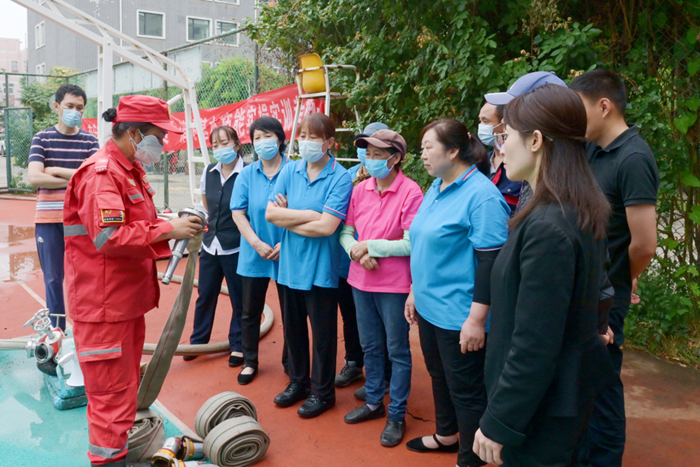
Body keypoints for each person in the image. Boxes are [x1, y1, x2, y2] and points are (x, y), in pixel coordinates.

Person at [472, 83, 617, 467]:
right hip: (557, 398)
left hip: (542, 409)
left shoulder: (549, 225)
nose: (500, 146)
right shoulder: (574, 206)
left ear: (535, 140)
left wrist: (501, 420)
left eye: (506, 135)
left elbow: (534, 343)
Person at [63, 95, 202, 466]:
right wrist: (168, 227)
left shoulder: (127, 170)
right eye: (160, 135)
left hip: (121, 304)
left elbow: (132, 221)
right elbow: (109, 237)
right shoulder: (103, 174)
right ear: (137, 134)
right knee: (110, 399)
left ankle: (117, 456)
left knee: (122, 394)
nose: (165, 144)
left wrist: (167, 223)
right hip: (104, 308)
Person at [405, 119, 510, 467]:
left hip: (460, 315)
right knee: (439, 376)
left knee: (467, 391)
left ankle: (472, 459)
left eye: (427, 148)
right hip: (430, 307)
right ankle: (446, 435)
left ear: (452, 151)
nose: (421, 155)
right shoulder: (437, 185)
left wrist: (477, 320)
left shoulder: (482, 197)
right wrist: (414, 291)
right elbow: (423, 244)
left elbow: (489, 264)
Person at [570, 69, 659, 467]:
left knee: (603, 388)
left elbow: (644, 243)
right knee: (579, 384)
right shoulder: (590, 150)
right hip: (583, 287)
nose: (575, 119)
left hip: (608, 296)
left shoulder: (634, 157)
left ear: (603, 106)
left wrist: (623, 275)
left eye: (580, 109)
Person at [266, 112, 353, 418]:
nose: (306, 142)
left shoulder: (340, 177)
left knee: (324, 336)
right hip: (289, 266)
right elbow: (271, 215)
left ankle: (323, 393)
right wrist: (311, 215)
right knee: (293, 330)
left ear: (329, 142)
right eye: (302, 135)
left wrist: (292, 217)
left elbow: (328, 228)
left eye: (314, 137)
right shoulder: (291, 170)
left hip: (321, 268)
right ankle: (298, 383)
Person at [340, 129, 423, 446]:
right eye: (368, 153)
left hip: (394, 285)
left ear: (396, 158)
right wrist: (356, 252)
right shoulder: (360, 190)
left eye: (378, 154)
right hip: (360, 280)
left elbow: (410, 243)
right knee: (370, 346)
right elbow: (346, 233)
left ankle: (397, 415)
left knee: (397, 350)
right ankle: (374, 402)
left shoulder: (411, 192)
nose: (371, 160)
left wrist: (370, 247)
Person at [27, 84, 99, 330]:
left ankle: (87, 329)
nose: (75, 111)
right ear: (57, 107)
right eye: (69, 106)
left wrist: (55, 169)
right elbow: (35, 178)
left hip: (80, 221)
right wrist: (76, 177)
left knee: (86, 277)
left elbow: (94, 179)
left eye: (79, 107)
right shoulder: (42, 138)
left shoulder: (90, 141)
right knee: (54, 279)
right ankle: (58, 331)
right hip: (48, 221)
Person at [231, 116, 289, 384]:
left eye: (267, 136)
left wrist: (284, 242)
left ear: (279, 138)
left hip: (287, 252)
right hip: (254, 252)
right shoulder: (247, 173)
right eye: (257, 138)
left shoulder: (294, 171)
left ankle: (292, 363)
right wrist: (255, 243)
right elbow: (238, 213)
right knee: (249, 310)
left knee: (292, 312)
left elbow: (301, 211)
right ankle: (250, 361)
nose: (262, 142)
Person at [336, 121, 391, 393]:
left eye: (376, 148)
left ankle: (385, 375)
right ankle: (354, 363)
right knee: (351, 316)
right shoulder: (347, 178)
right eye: (365, 147)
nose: (369, 154)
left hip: (382, 265)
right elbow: (342, 224)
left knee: (383, 324)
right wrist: (355, 251)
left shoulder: (401, 186)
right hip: (349, 262)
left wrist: (371, 249)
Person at [183, 126, 245, 367]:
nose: (220, 149)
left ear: (237, 145)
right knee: (205, 294)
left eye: (225, 143)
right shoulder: (209, 171)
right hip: (211, 245)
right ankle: (199, 341)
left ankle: (238, 346)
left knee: (239, 298)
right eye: (215, 145)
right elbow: (207, 203)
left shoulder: (247, 173)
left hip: (236, 245)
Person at [484, 72, 568, 213]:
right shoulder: (535, 182)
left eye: (509, 133)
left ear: (536, 139)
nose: (503, 149)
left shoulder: (553, 210)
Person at [477, 102, 522, 214]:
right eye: (480, 121)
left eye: (485, 121)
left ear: (504, 124)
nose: (481, 127)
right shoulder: (479, 163)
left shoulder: (521, 166)